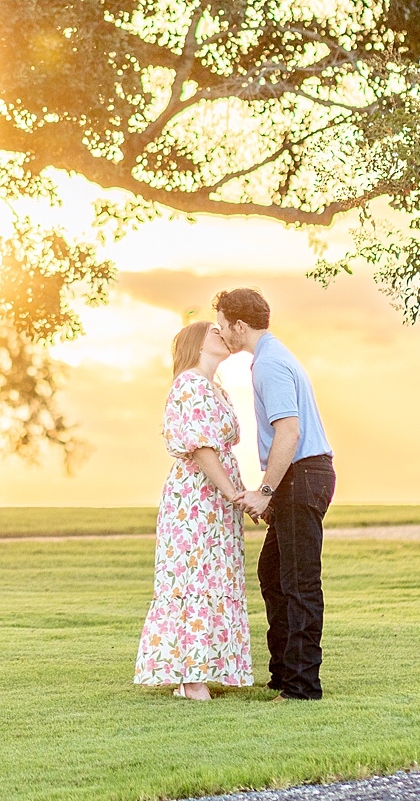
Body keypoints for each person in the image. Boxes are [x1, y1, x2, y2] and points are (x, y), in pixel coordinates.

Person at [216, 287, 334, 700]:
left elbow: (289, 432)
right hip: (298, 477)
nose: (221, 333)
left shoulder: (269, 364)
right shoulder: (273, 356)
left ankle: (302, 686)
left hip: (303, 474)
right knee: (273, 573)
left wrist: (265, 492)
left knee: (299, 581)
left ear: (240, 326)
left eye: (222, 326)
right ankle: (284, 672)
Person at [133, 319, 253, 699]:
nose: (223, 334)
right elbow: (201, 449)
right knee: (192, 576)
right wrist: (235, 493)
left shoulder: (215, 388)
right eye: (214, 332)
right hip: (197, 499)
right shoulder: (189, 385)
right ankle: (190, 679)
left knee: (216, 575)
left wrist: (233, 494)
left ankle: (206, 668)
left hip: (217, 497)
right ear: (197, 344)